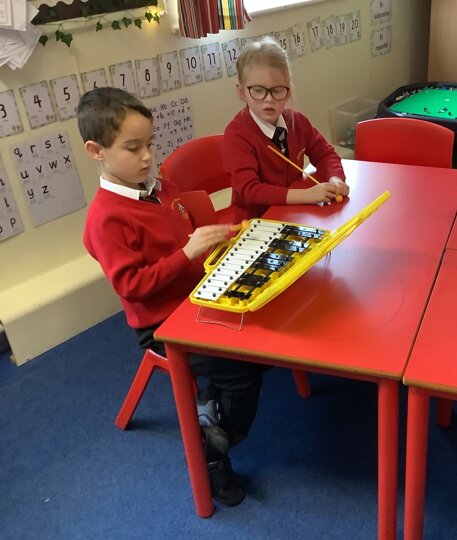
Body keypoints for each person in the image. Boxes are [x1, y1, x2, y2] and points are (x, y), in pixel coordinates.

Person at [79, 87, 266, 507]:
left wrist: (219, 241)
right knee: (243, 371)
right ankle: (212, 450)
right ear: (96, 151)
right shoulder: (105, 218)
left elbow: (189, 235)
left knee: (268, 338)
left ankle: (210, 405)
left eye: (150, 143)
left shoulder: (160, 187)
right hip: (163, 325)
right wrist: (188, 253)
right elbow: (132, 286)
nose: (147, 157)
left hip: (200, 297)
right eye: (133, 148)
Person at [224, 37, 350, 222]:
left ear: (288, 92)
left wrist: (335, 178)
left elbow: (325, 154)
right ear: (242, 92)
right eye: (258, 90)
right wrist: (307, 195)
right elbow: (250, 191)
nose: (268, 99)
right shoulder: (237, 135)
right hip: (256, 224)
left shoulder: (297, 122)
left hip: (294, 215)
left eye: (277, 90)